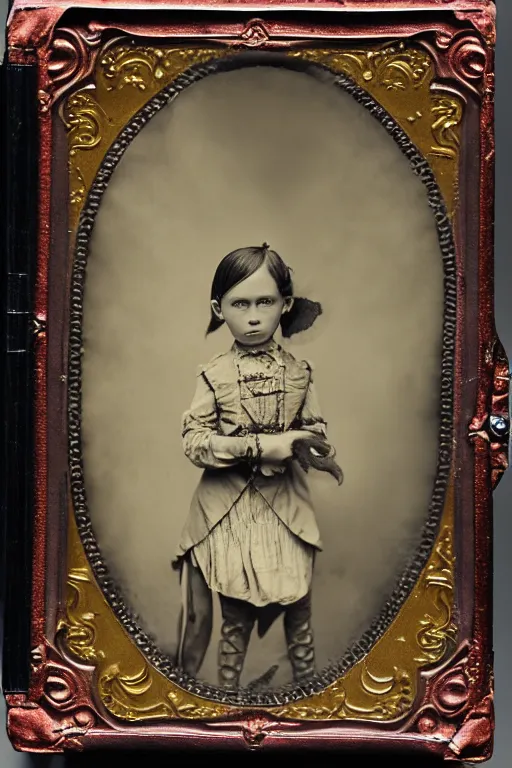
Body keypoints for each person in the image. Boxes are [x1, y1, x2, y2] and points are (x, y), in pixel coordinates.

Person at [173, 243, 339, 690]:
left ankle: (308, 703)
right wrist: (260, 447)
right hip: (230, 513)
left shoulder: (301, 372)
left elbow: (314, 428)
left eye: (264, 302)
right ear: (219, 308)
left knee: (299, 618)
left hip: (287, 511)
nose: (252, 316)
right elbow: (194, 442)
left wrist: (313, 448)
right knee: (236, 621)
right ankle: (225, 705)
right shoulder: (214, 374)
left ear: (284, 305)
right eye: (239, 303)